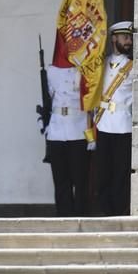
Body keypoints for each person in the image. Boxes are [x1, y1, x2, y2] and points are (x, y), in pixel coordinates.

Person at [94, 21, 135, 216]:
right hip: (103, 124)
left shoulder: (133, 66)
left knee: (121, 173)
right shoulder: (100, 64)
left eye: (129, 37)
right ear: (113, 39)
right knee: (102, 173)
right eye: (124, 37)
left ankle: (119, 212)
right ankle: (103, 212)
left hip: (123, 125)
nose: (128, 41)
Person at [45, 66, 90, 216]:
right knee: (60, 180)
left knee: (80, 179)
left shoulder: (86, 68)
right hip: (56, 129)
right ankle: (63, 216)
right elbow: (48, 97)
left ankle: (80, 216)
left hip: (78, 127)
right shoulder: (51, 71)